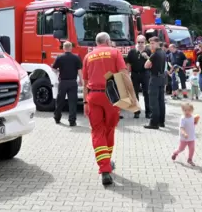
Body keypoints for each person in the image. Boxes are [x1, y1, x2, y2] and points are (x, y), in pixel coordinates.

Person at [82, 32, 127, 185]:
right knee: (109, 129)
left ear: (96, 42)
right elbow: (123, 74)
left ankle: (105, 167)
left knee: (97, 131)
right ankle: (106, 164)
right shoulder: (115, 52)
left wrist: (85, 103)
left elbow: (85, 82)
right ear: (107, 41)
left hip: (93, 96)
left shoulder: (88, 56)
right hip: (112, 96)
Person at [52, 41, 82, 126]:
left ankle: (57, 118)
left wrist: (58, 71)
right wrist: (81, 81)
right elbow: (79, 71)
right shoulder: (76, 58)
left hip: (63, 82)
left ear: (64, 48)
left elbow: (53, 69)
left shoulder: (59, 57)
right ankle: (72, 121)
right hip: (73, 82)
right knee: (72, 102)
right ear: (71, 48)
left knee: (60, 101)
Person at [126, 35, 151, 119]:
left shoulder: (148, 50)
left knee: (146, 93)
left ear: (145, 42)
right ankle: (136, 112)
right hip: (135, 74)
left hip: (145, 74)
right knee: (134, 93)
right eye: (138, 42)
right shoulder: (132, 51)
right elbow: (128, 63)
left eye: (142, 42)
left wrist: (147, 57)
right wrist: (128, 73)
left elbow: (152, 62)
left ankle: (148, 112)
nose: (140, 44)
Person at [144, 36, 166, 129]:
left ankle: (154, 123)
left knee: (153, 101)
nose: (150, 46)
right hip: (162, 78)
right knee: (161, 101)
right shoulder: (163, 52)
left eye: (152, 43)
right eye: (150, 44)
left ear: (157, 43)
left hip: (155, 78)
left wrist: (146, 57)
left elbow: (146, 66)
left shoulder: (155, 54)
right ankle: (161, 122)